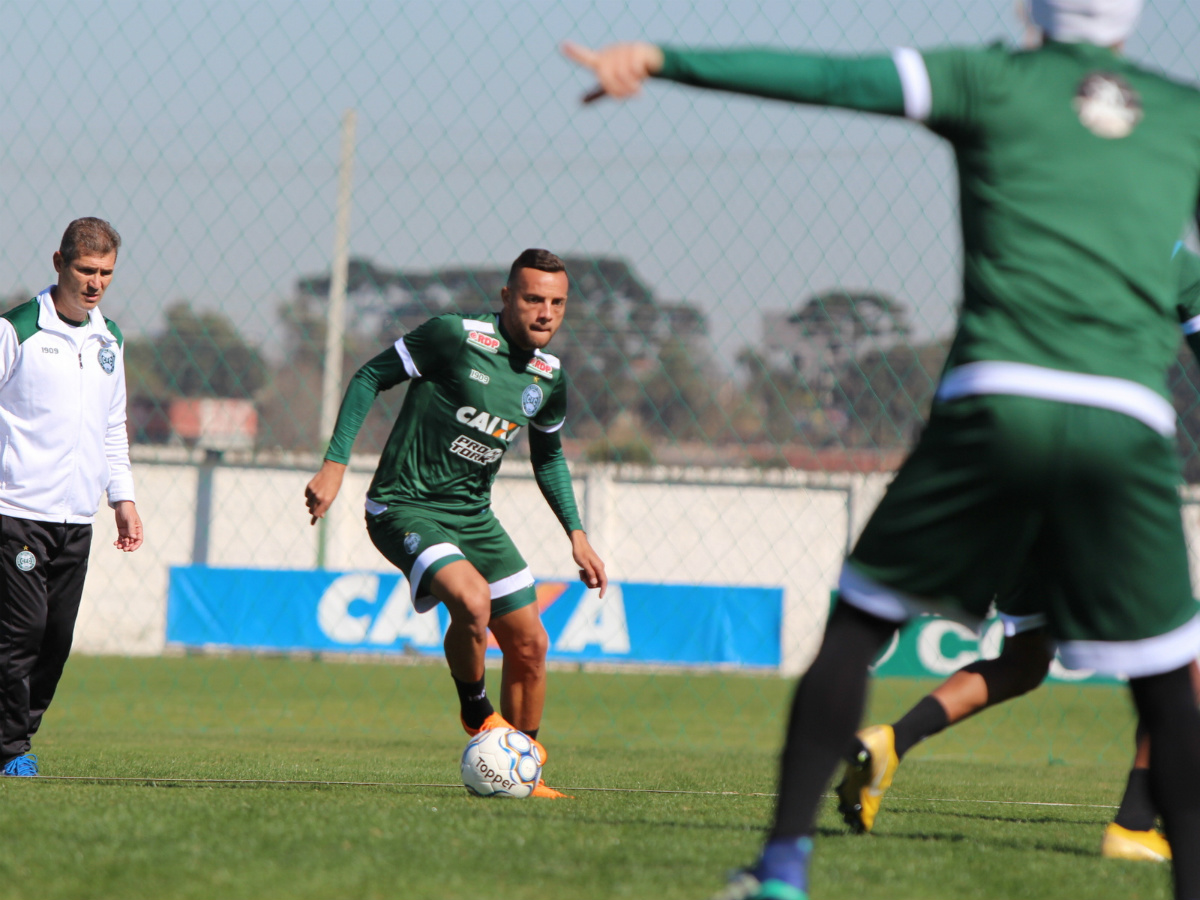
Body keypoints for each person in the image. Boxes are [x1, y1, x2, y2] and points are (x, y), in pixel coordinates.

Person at [564, 2, 1200, 898]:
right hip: (1127, 426)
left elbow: (831, 80)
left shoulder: (988, 78)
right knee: (1170, 684)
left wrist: (661, 57)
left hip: (996, 403)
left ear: (1030, 8)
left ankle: (782, 869)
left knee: (858, 627)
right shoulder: (1182, 113)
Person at [839, 244, 1200, 863]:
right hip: (1095, 465)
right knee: (1181, 657)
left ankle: (891, 741)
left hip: (1001, 466)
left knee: (1027, 656)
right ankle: (1136, 822)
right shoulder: (1160, 242)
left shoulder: (1026, 235)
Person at [305, 248, 607, 799]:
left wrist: (577, 535)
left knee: (531, 645)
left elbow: (549, 457)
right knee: (470, 600)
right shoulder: (455, 336)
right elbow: (371, 375)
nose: (546, 312)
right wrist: (334, 465)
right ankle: (477, 715)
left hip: (473, 517)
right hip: (403, 505)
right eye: (534, 299)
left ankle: (522, 770)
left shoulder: (549, 376)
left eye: (557, 303)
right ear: (507, 298)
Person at [0, 217, 143, 777]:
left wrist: (122, 498)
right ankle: (11, 749)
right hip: (17, 513)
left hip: (76, 519)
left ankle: (18, 736)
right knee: (22, 632)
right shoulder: (16, 331)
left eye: (106, 273)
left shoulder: (111, 340)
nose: (95, 283)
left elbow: (113, 426)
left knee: (56, 640)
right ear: (59, 263)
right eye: (86, 270)